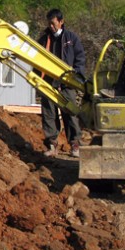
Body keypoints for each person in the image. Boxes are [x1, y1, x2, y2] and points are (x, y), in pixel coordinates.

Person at [37, 9, 86, 158]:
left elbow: (80, 57)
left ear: (61, 21)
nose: (51, 26)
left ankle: (75, 145)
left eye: (54, 23)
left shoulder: (71, 39)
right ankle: (52, 145)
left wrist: (77, 74)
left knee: (70, 114)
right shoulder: (44, 40)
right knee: (49, 115)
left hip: (66, 84)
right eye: (49, 24)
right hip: (49, 83)